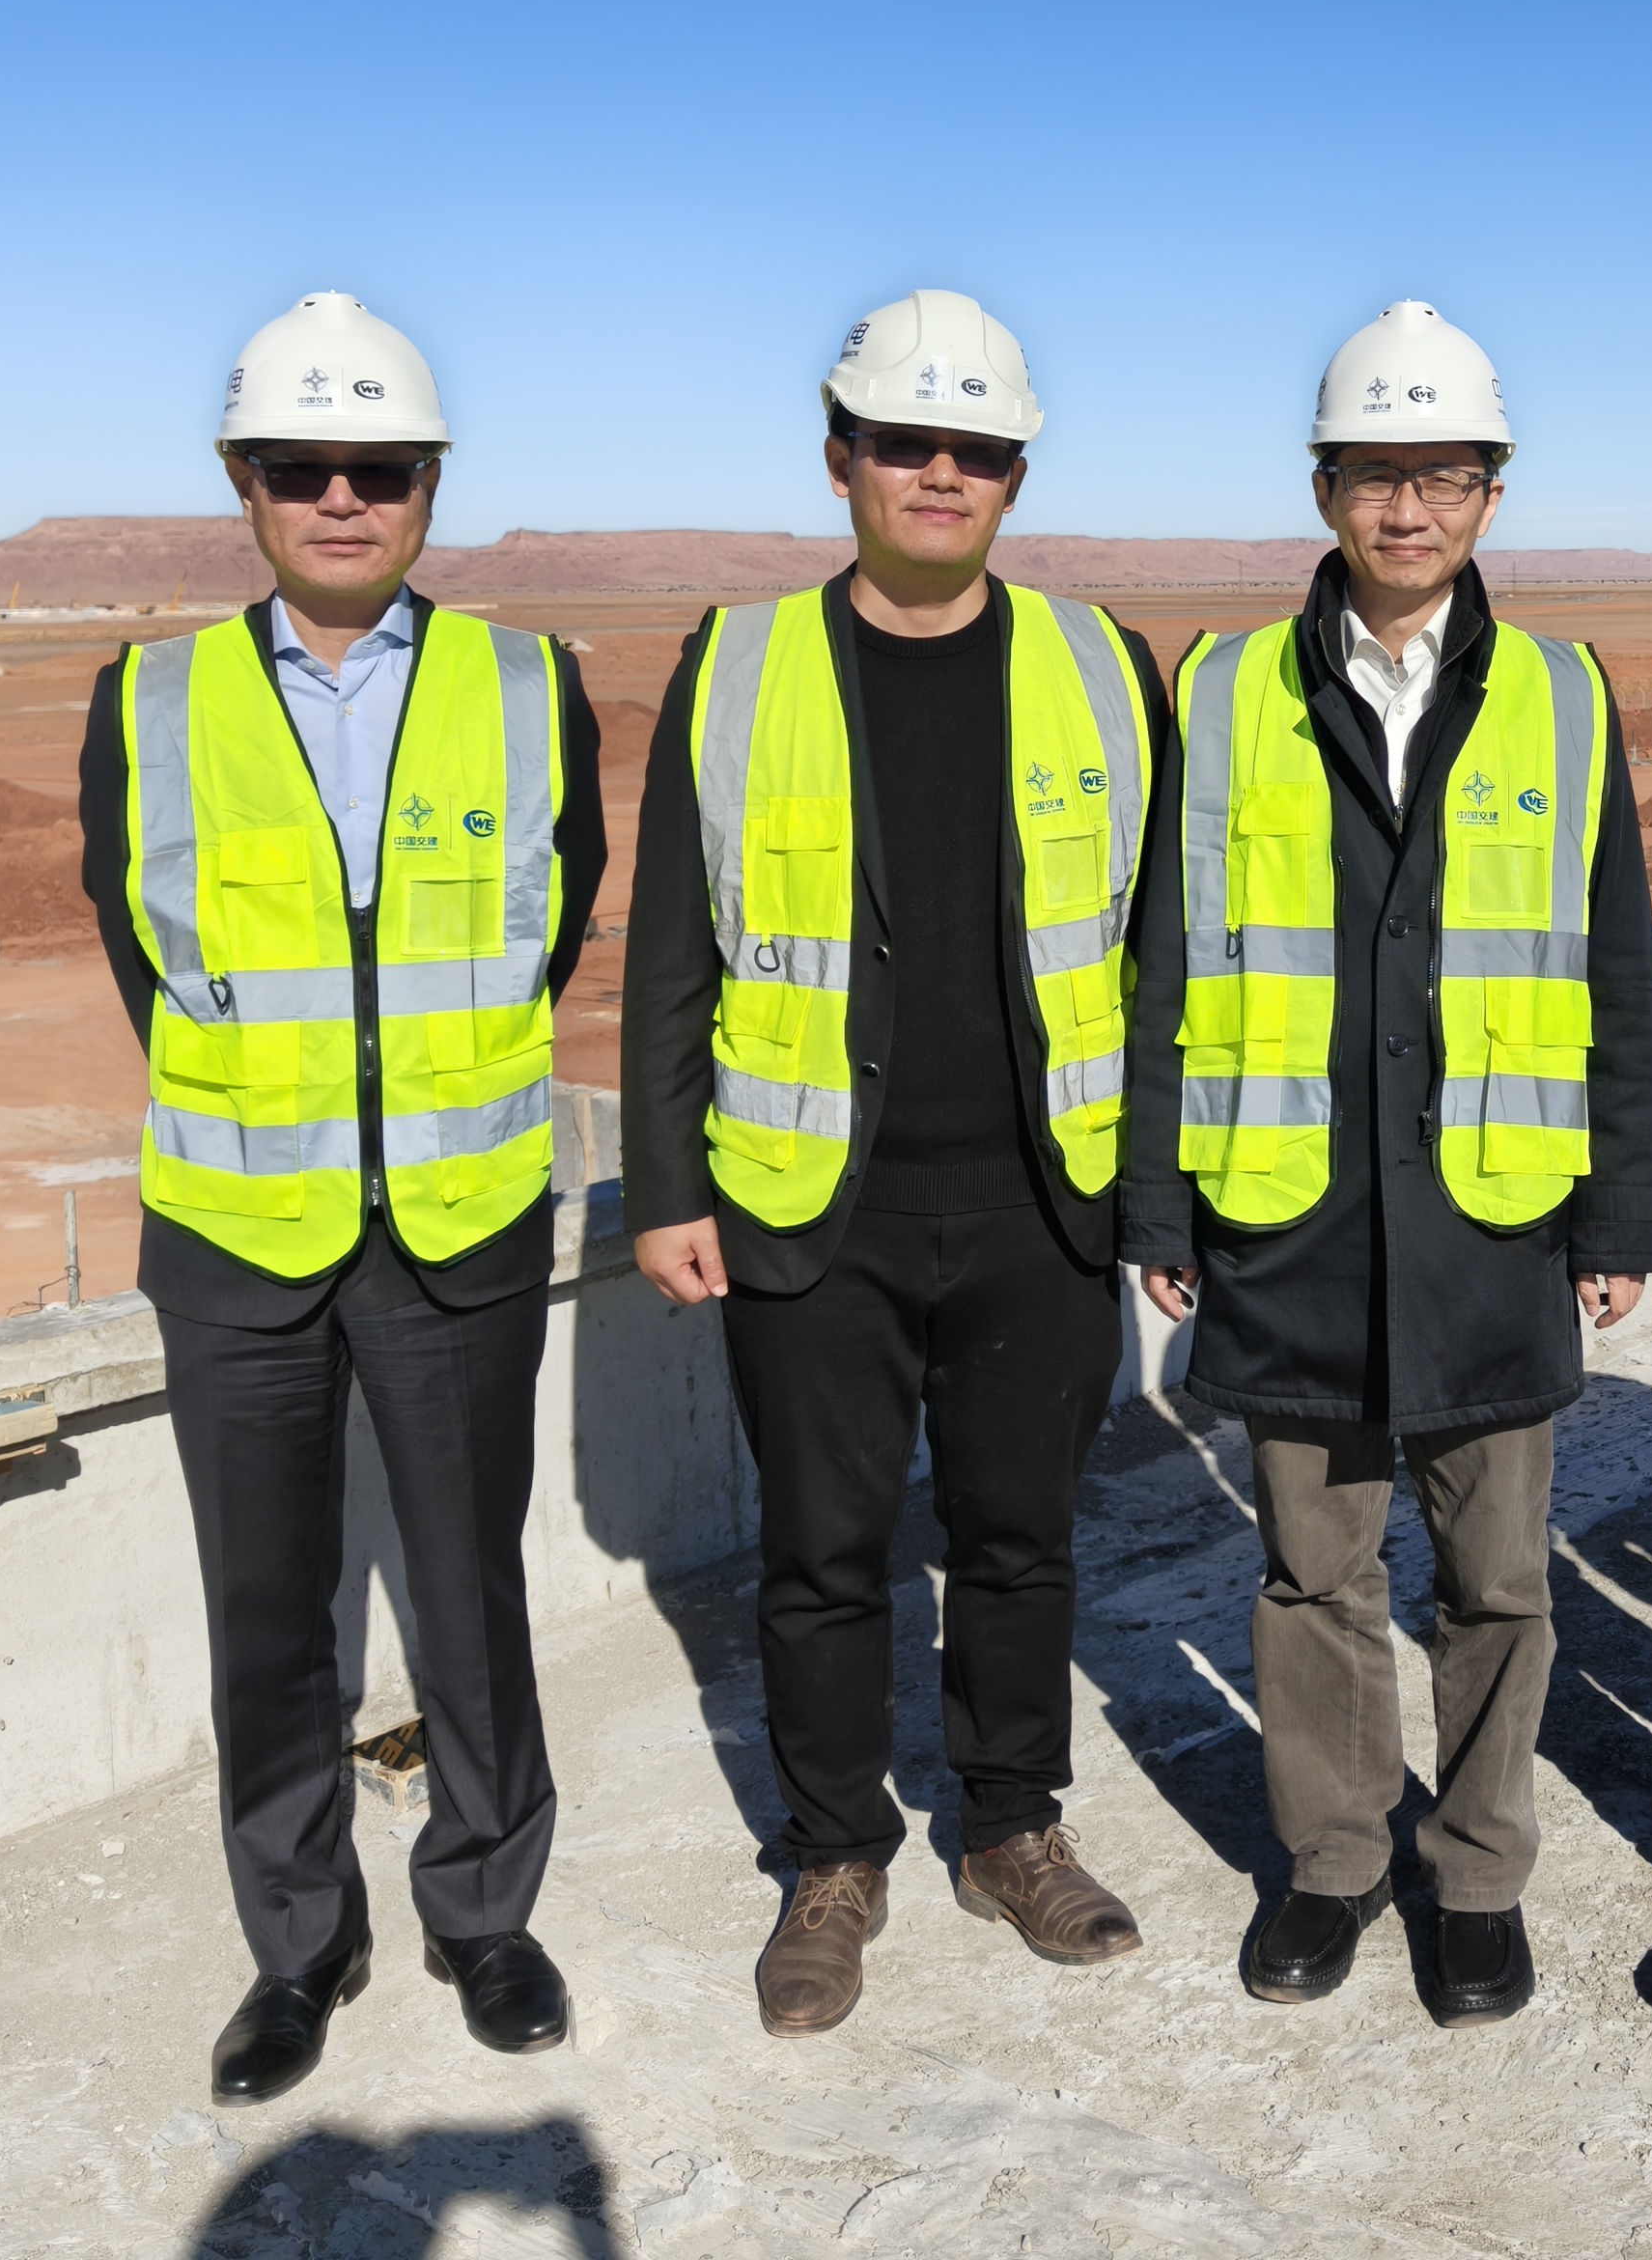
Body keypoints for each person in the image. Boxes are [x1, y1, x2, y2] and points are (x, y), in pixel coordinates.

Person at [621, 290, 1172, 2039]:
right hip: (812, 1205)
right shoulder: (737, 664)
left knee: (1020, 1540)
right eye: (907, 443)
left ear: (1016, 475)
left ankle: (1011, 1826)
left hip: (1039, 1194)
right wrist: (665, 1183)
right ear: (840, 457)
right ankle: (835, 1858)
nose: (942, 474)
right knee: (823, 1553)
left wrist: (1150, 1193)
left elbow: (1158, 953)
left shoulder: (1103, 665)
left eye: (977, 449)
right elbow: (673, 948)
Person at [78, 292, 606, 2105]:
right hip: (237, 1238)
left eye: (378, 468)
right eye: (301, 467)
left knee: (469, 1596)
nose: (340, 499)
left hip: (456, 1229)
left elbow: (552, 922)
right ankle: (300, 1946)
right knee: (268, 1612)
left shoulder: (526, 687)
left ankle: (484, 1915)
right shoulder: (151, 697)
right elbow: (144, 950)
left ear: (429, 486)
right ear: (243, 481)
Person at [1123, 300, 1652, 2028]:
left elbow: (1616, 963)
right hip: (1285, 1209)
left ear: (1492, 493)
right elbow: (1169, 957)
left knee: (1499, 1581)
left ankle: (1480, 1876)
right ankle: (1336, 1860)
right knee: (1312, 1574)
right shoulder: (1225, 690)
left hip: (1492, 1214)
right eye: (1375, 474)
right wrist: (1159, 1198)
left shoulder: (1562, 696)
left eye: (1443, 476)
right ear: (1324, 488)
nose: (1408, 508)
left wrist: (1620, 1205)